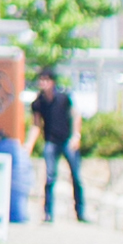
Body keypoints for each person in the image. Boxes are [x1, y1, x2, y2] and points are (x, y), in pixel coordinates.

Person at [30, 75, 88, 223]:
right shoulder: (38, 103)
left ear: (52, 82)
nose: (43, 83)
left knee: (76, 177)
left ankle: (80, 212)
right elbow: (36, 125)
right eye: (41, 80)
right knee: (49, 178)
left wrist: (76, 136)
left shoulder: (63, 98)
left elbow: (76, 115)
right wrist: (29, 144)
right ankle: (48, 213)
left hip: (67, 140)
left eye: (46, 80)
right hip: (51, 142)